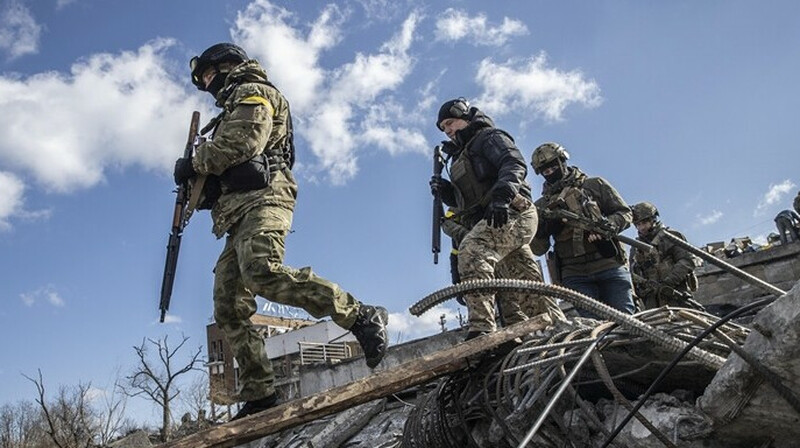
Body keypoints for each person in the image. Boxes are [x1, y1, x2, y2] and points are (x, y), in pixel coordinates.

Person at [174, 43, 388, 420]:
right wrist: (198, 184)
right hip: (236, 213)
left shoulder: (254, 91)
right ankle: (260, 391)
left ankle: (359, 314)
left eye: (210, 75)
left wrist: (194, 162)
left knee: (262, 271)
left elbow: (244, 143)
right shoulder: (226, 110)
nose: (208, 84)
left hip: (266, 198)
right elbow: (222, 172)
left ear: (228, 66)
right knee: (228, 305)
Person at [430, 98, 562, 340]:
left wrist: (502, 197)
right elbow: (467, 202)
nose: (447, 131)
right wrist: (446, 191)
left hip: (512, 211)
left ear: (466, 116)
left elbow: (513, 163)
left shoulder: (488, 137)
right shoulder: (460, 156)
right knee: (523, 288)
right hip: (493, 221)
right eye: (443, 128)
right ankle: (558, 331)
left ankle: (482, 328)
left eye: (450, 123)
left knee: (472, 249)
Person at [529, 142, 635, 316]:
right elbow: (537, 248)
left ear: (563, 161)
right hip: (574, 274)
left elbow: (624, 213)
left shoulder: (594, 185)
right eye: (545, 172)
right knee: (592, 328)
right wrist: (547, 227)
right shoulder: (541, 206)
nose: (550, 173)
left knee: (627, 321)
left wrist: (608, 226)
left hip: (608, 265)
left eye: (554, 167)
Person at [629, 202, 700, 309]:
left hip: (675, 293)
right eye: (638, 224)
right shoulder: (636, 247)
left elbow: (687, 261)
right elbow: (632, 273)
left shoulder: (671, 237)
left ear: (653, 220)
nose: (641, 228)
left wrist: (668, 283)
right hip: (651, 300)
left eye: (644, 223)